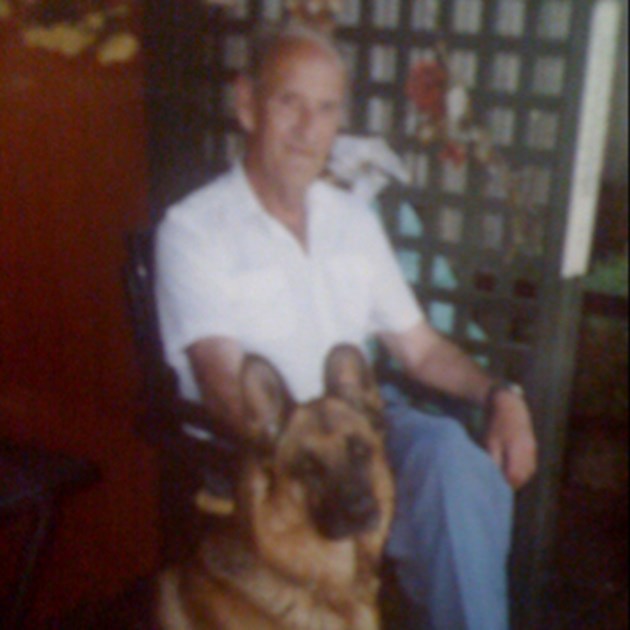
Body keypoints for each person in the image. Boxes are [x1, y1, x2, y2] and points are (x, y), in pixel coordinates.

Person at [155, 22, 538, 630]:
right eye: (290, 102)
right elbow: (221, 379)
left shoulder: (352, 219)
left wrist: (500, 394)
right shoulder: (195, 229)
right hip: (272, 450)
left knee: (450, 457)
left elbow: (420, 349)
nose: (309, 129)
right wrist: (294, 439)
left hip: (356, 435)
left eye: (327, 108)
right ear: (248, 104)